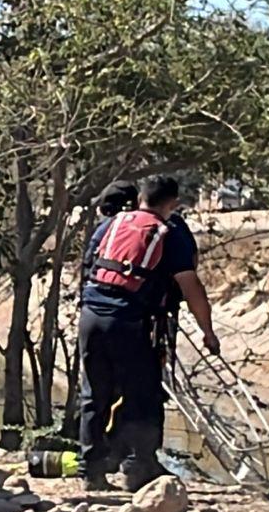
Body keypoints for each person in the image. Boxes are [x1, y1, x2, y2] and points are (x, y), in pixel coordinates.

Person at [78, 174, 219, 492]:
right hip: (128, 322)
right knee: (143, 394)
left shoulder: (110, 225)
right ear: (172, 204)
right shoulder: (169, 233)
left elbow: (88, 268)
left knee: (94, 395)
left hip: (91, 316)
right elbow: (190, 286)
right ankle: (139, 468)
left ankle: (92, 472)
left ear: (140, 198)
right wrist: (208, 332)